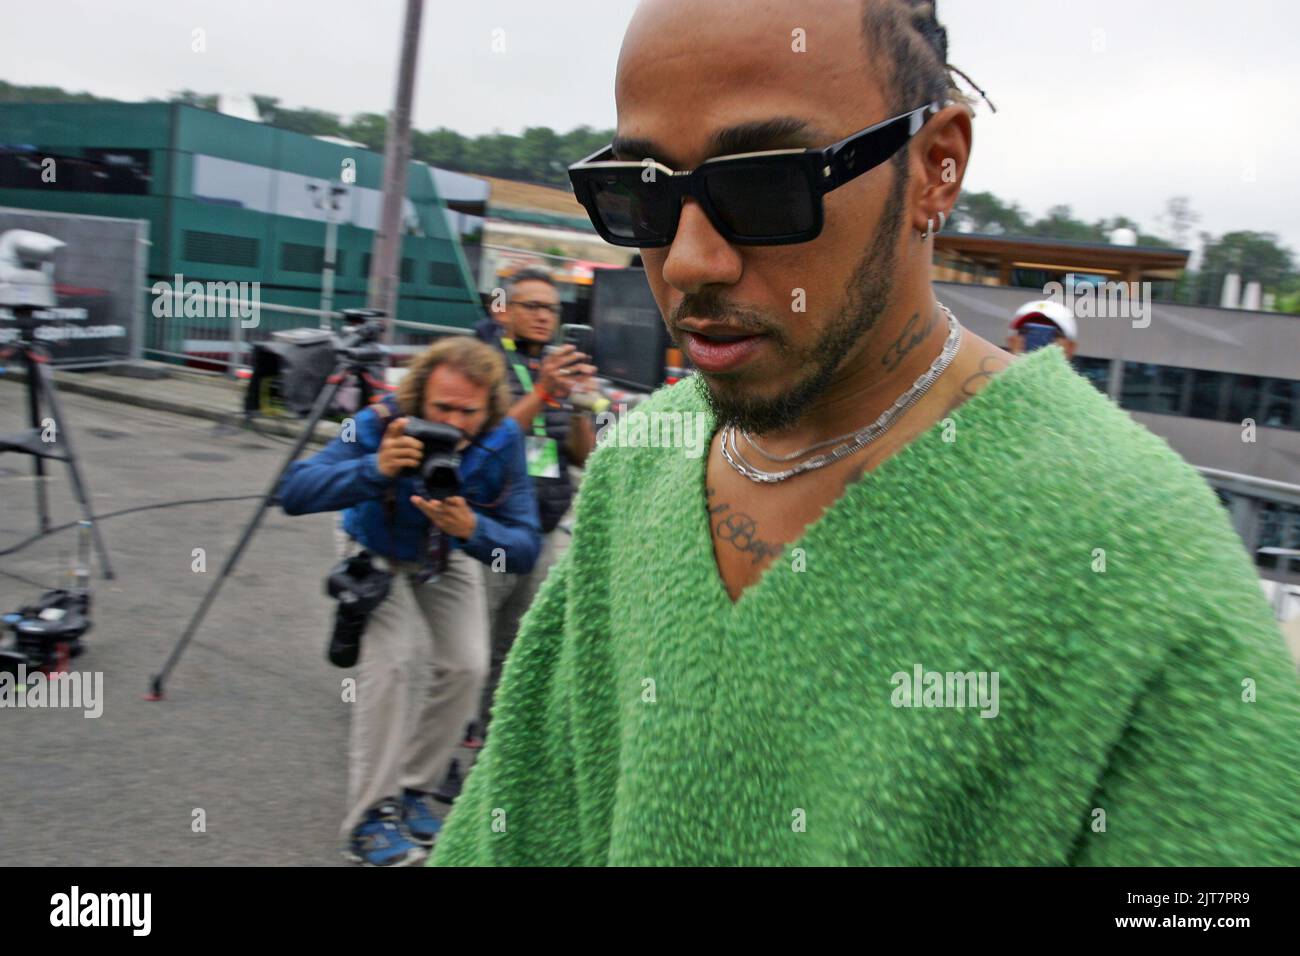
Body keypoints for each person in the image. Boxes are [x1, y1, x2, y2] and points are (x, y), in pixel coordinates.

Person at [430, 0, 1300, 866]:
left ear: (935, 167)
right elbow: (520, 824)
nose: (691, 261)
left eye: (766, 184)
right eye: (640, 194)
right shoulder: (640, 467)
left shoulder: (1140, 559)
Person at [278, 336, 540, 865]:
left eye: (468, 411)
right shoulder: (379, 420)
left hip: (449, 547)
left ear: (489, 407)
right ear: (418, 397)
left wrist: (476, 529)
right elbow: (294, 490)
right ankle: (369, 820)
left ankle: (416, 788)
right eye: (441, 408)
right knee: (393, 663)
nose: (454, 422)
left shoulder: (504, 437)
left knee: (466, 664)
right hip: (374, 546)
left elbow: (524, 543)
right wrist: (374, 468)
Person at [466, 268, 597, 752]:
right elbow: (486, 444)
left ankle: (491, 741)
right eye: (533, 307)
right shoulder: (481, 365)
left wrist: (583, 404)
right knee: (471, 649)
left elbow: (581, 456)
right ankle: (451, 741)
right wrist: (541, 391)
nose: (545, 317)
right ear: (503, 311)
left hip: (542, 525)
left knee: (516, 646)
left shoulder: (556, 369)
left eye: (553, 310)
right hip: (490, 524)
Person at [1006, 298, 1078, 359]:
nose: (1037, 338)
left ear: (1070, 347)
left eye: (1054, 334)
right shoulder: (996, 375)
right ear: (1011, 341)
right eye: (1025, 331)